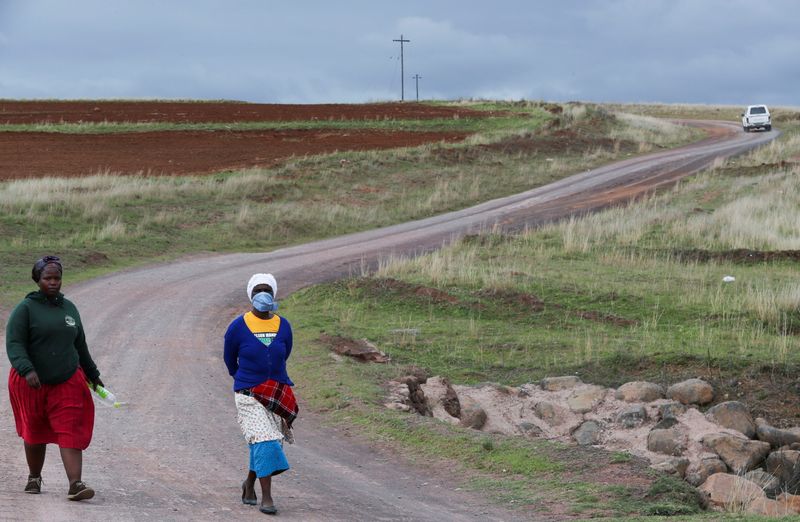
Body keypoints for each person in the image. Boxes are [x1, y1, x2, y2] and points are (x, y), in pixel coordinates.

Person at [5, 255, 104, 501]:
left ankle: (75, 484)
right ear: (37, 279)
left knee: (69, 428)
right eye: (47, 278)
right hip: (32, 382)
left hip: (67, 379)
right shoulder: (25, 309)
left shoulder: (69, 308)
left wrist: (93, 375)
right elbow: (14, 343)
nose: (53, 282)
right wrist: (27, 369)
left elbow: (80, 345)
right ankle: (34, 477)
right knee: (34, 430)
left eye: (57, 278)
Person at [224, 273, 298, 516]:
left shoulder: (283, 325)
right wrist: (245, 379)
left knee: (264, 441)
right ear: (251, 296)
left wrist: (270, 379)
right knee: (265, 440)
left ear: (273, 295)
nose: (263, 294)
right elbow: (229, 359)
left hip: (275, 392)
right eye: (259, 291)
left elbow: (284, 354)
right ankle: (267, 497)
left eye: (267, 290)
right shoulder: (237, 326)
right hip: (247, 393)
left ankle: (248, 485)